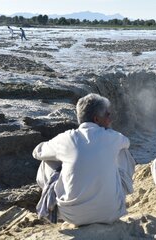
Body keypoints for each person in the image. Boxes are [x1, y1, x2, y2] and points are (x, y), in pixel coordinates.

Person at [33, 93, 136, 227]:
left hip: (73, 216)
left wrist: (62, 157)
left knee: (47, 160)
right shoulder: (113, 137)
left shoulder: (67, 138)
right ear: (96, 119)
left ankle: (50, 204)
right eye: (107, 114)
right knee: (123, 151)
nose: (110, 118)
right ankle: (119, 194)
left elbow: (37, 152)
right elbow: (127, 142)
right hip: (111, 212)